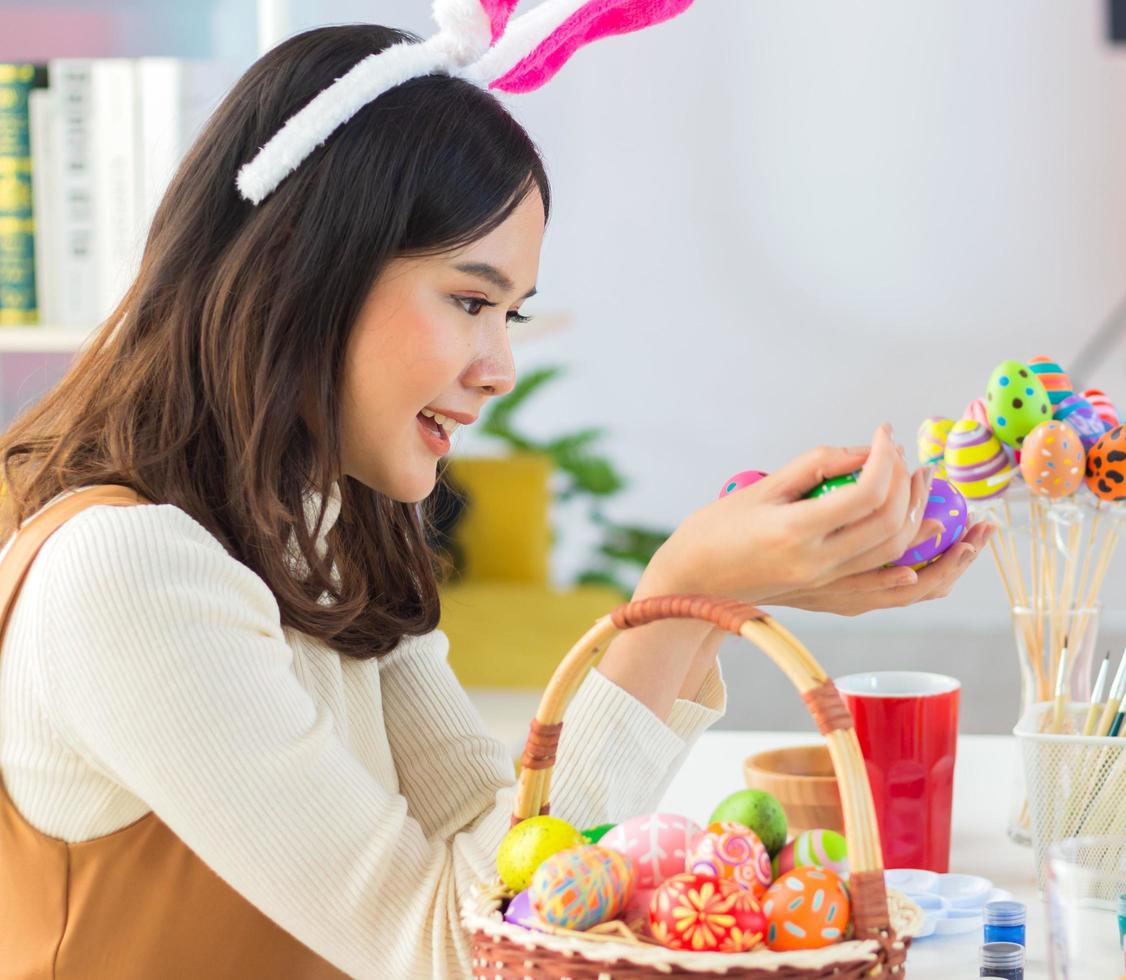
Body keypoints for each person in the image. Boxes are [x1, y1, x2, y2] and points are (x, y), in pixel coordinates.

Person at [0, 22, 990, 980]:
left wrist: (707, 607)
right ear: (305, 263)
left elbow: (502, 849)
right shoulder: (126, 574)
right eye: (471, 301)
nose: (501, 365)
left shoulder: (322, 526)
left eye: (508, 313)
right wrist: (675, 596)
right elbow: (461, 947)